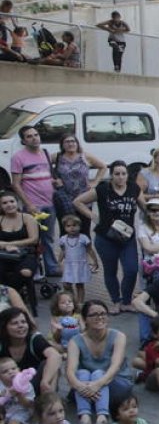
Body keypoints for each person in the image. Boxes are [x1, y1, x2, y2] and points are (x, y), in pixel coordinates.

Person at [65, 300, 134, 424]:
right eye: (94, 314)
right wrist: (81, 387)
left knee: (98, 373)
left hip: (116, 382)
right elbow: (70, 371)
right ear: (85, 320)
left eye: (103, 313)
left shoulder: (118, 336)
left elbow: (115, 366)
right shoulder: (75, 341)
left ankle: (102, 419)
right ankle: (85, 420)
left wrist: (97, 384)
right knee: (82, 373)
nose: (99, 317)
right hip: (87, 386)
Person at [73, 162, 140, 311]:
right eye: (117, 174)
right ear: (111, 175)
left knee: (131, 269)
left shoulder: (134, 188)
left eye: (123, 173)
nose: (120, 177)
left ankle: (127, 301)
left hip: (127, 238)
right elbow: (78, 202)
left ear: (128, 175)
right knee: (111, 270)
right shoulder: (103, 189)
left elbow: (145, 207)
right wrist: (94, 217)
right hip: (106, 237)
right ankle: (116, 301)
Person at [9, 126, 59, 277]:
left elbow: (48, 175)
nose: (34, 138)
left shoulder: (44, 153)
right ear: (23, 141)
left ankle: (51, 268)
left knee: (49, 238)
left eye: (36, 135)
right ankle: (34, 270)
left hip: (50, 203)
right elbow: (16, 184)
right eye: (29, 136)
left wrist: (55, 183)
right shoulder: (18, 157)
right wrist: (28, 204)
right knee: (33, 239)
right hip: (33, 205)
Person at [50, 134, 107, 237]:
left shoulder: (85, 156)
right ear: (62, 145)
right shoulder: (57, 157)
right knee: (66, 231)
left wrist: (95, 182)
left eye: (73, 141)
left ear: (77, 143)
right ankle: (67, 252)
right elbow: (42, 165)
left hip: (84, 199)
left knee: (84, 231)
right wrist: (54, 179)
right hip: (65, 199)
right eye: (67, 142)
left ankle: (84, 252)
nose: (70, 144)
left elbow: (103, 166)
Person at [0, 308, 58, 395]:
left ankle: (49, 402)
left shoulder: (34, 339)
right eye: (14, 323)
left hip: (35, 384)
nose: (21, 325)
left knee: (50, 364)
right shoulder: (1, 343)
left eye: (23, 322)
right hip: (7, 388)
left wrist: (45, 381)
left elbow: (55, 356)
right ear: (4, 327)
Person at [0, 191, 40, 311]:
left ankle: (13, 295)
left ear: (17, 203)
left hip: (26, 254)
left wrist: (8, 244)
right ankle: (11, 297)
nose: (9, 205)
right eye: (4, 203)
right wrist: (6, 247)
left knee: (25, 272)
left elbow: (34, 239)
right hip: (4, 255)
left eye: (12, 201)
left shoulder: (27, 218)